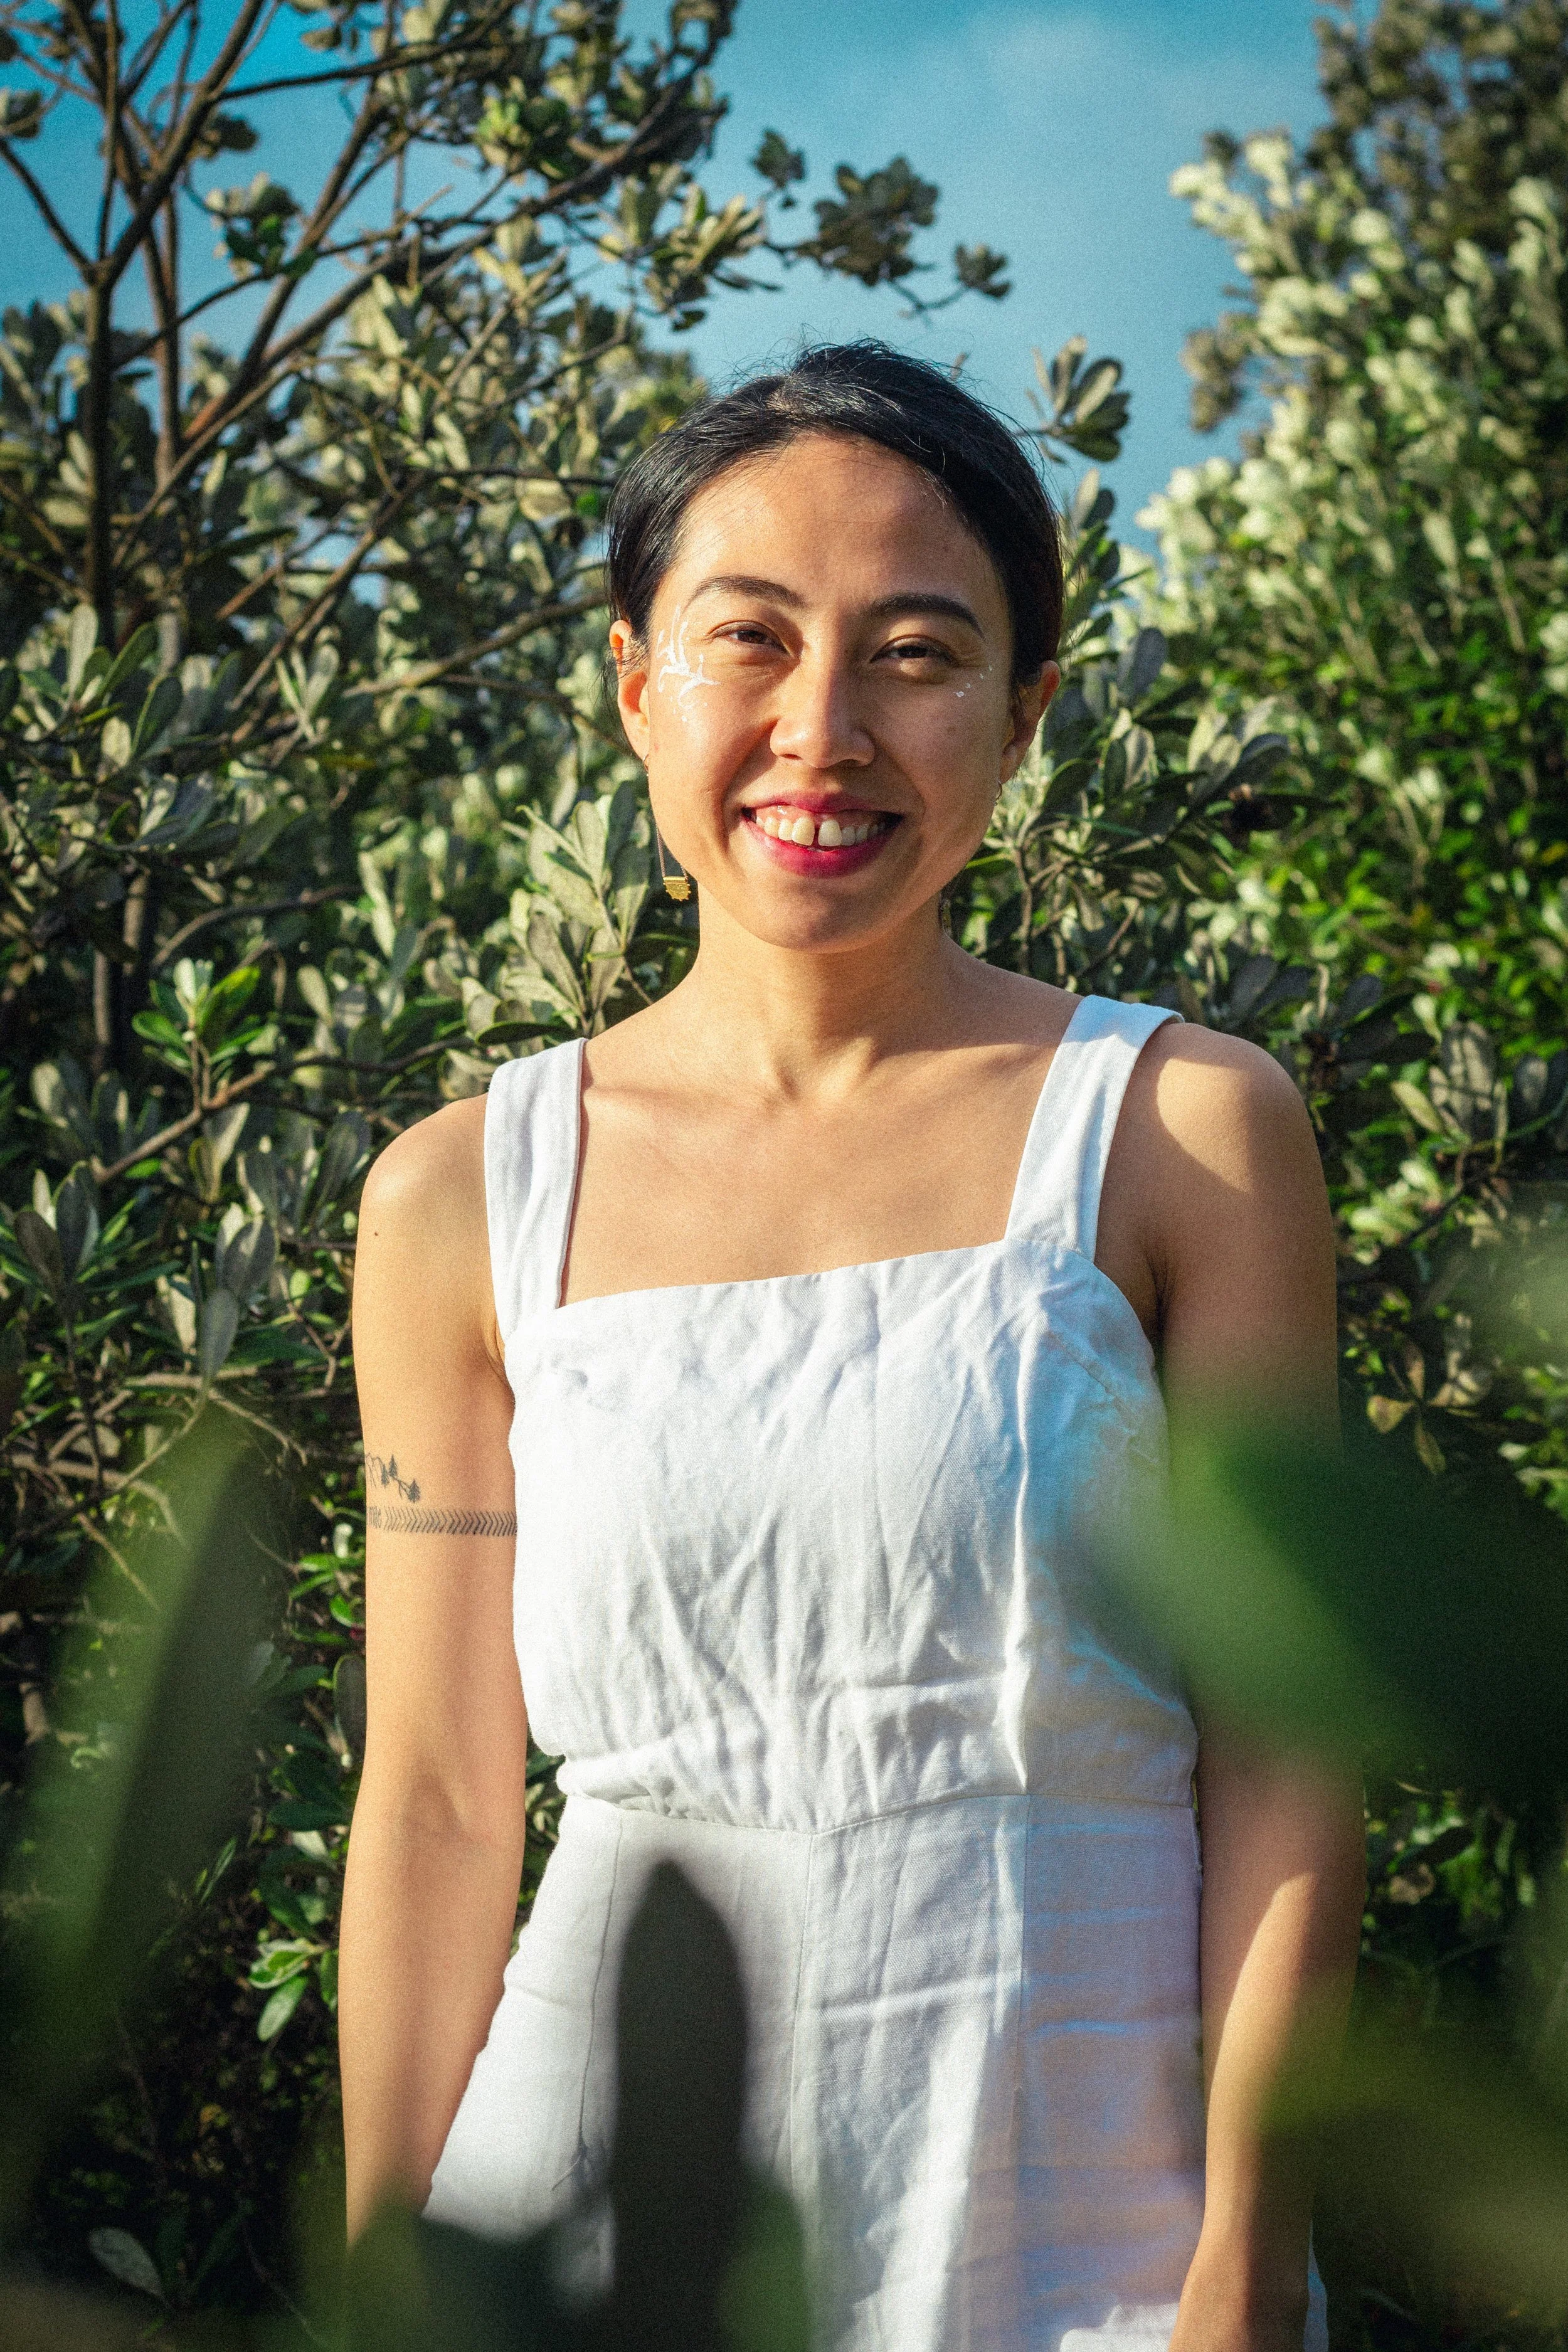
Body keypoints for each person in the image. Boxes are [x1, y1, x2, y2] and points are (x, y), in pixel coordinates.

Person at [340, 342, 1365, 2352]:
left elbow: (1285, 1749)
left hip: (1092, 2210)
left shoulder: (1181, 1130)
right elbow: (444, 1800)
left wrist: (1236, 2273)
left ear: (1023, 714)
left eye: (915, 651)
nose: (824, 730)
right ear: (636, 683)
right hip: (598, 2211)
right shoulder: (460, 1193)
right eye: (750, 641)